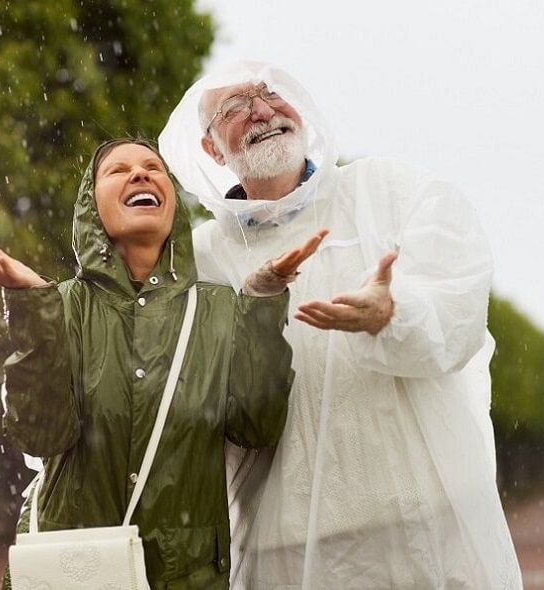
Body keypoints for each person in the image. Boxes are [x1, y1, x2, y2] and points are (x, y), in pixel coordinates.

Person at [159, 63, 523, 589]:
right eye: (234, 107)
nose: (262, 110)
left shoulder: (388, 191)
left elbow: (459, 312)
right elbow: (185, 400)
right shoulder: (200, 259)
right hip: (284, 546)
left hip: (426, 529)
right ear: (213, 149)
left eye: (270, 94)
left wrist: (395, 312)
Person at [0, 138, 326, 590]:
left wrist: (263, 306)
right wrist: (34, 309)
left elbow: (257, 427)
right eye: (118, 170)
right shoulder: (59, 308)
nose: (140, 174)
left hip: (185, 575)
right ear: (90, 208)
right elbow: (39, 434)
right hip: (70, 569)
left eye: (154, 167)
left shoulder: (221, 311)